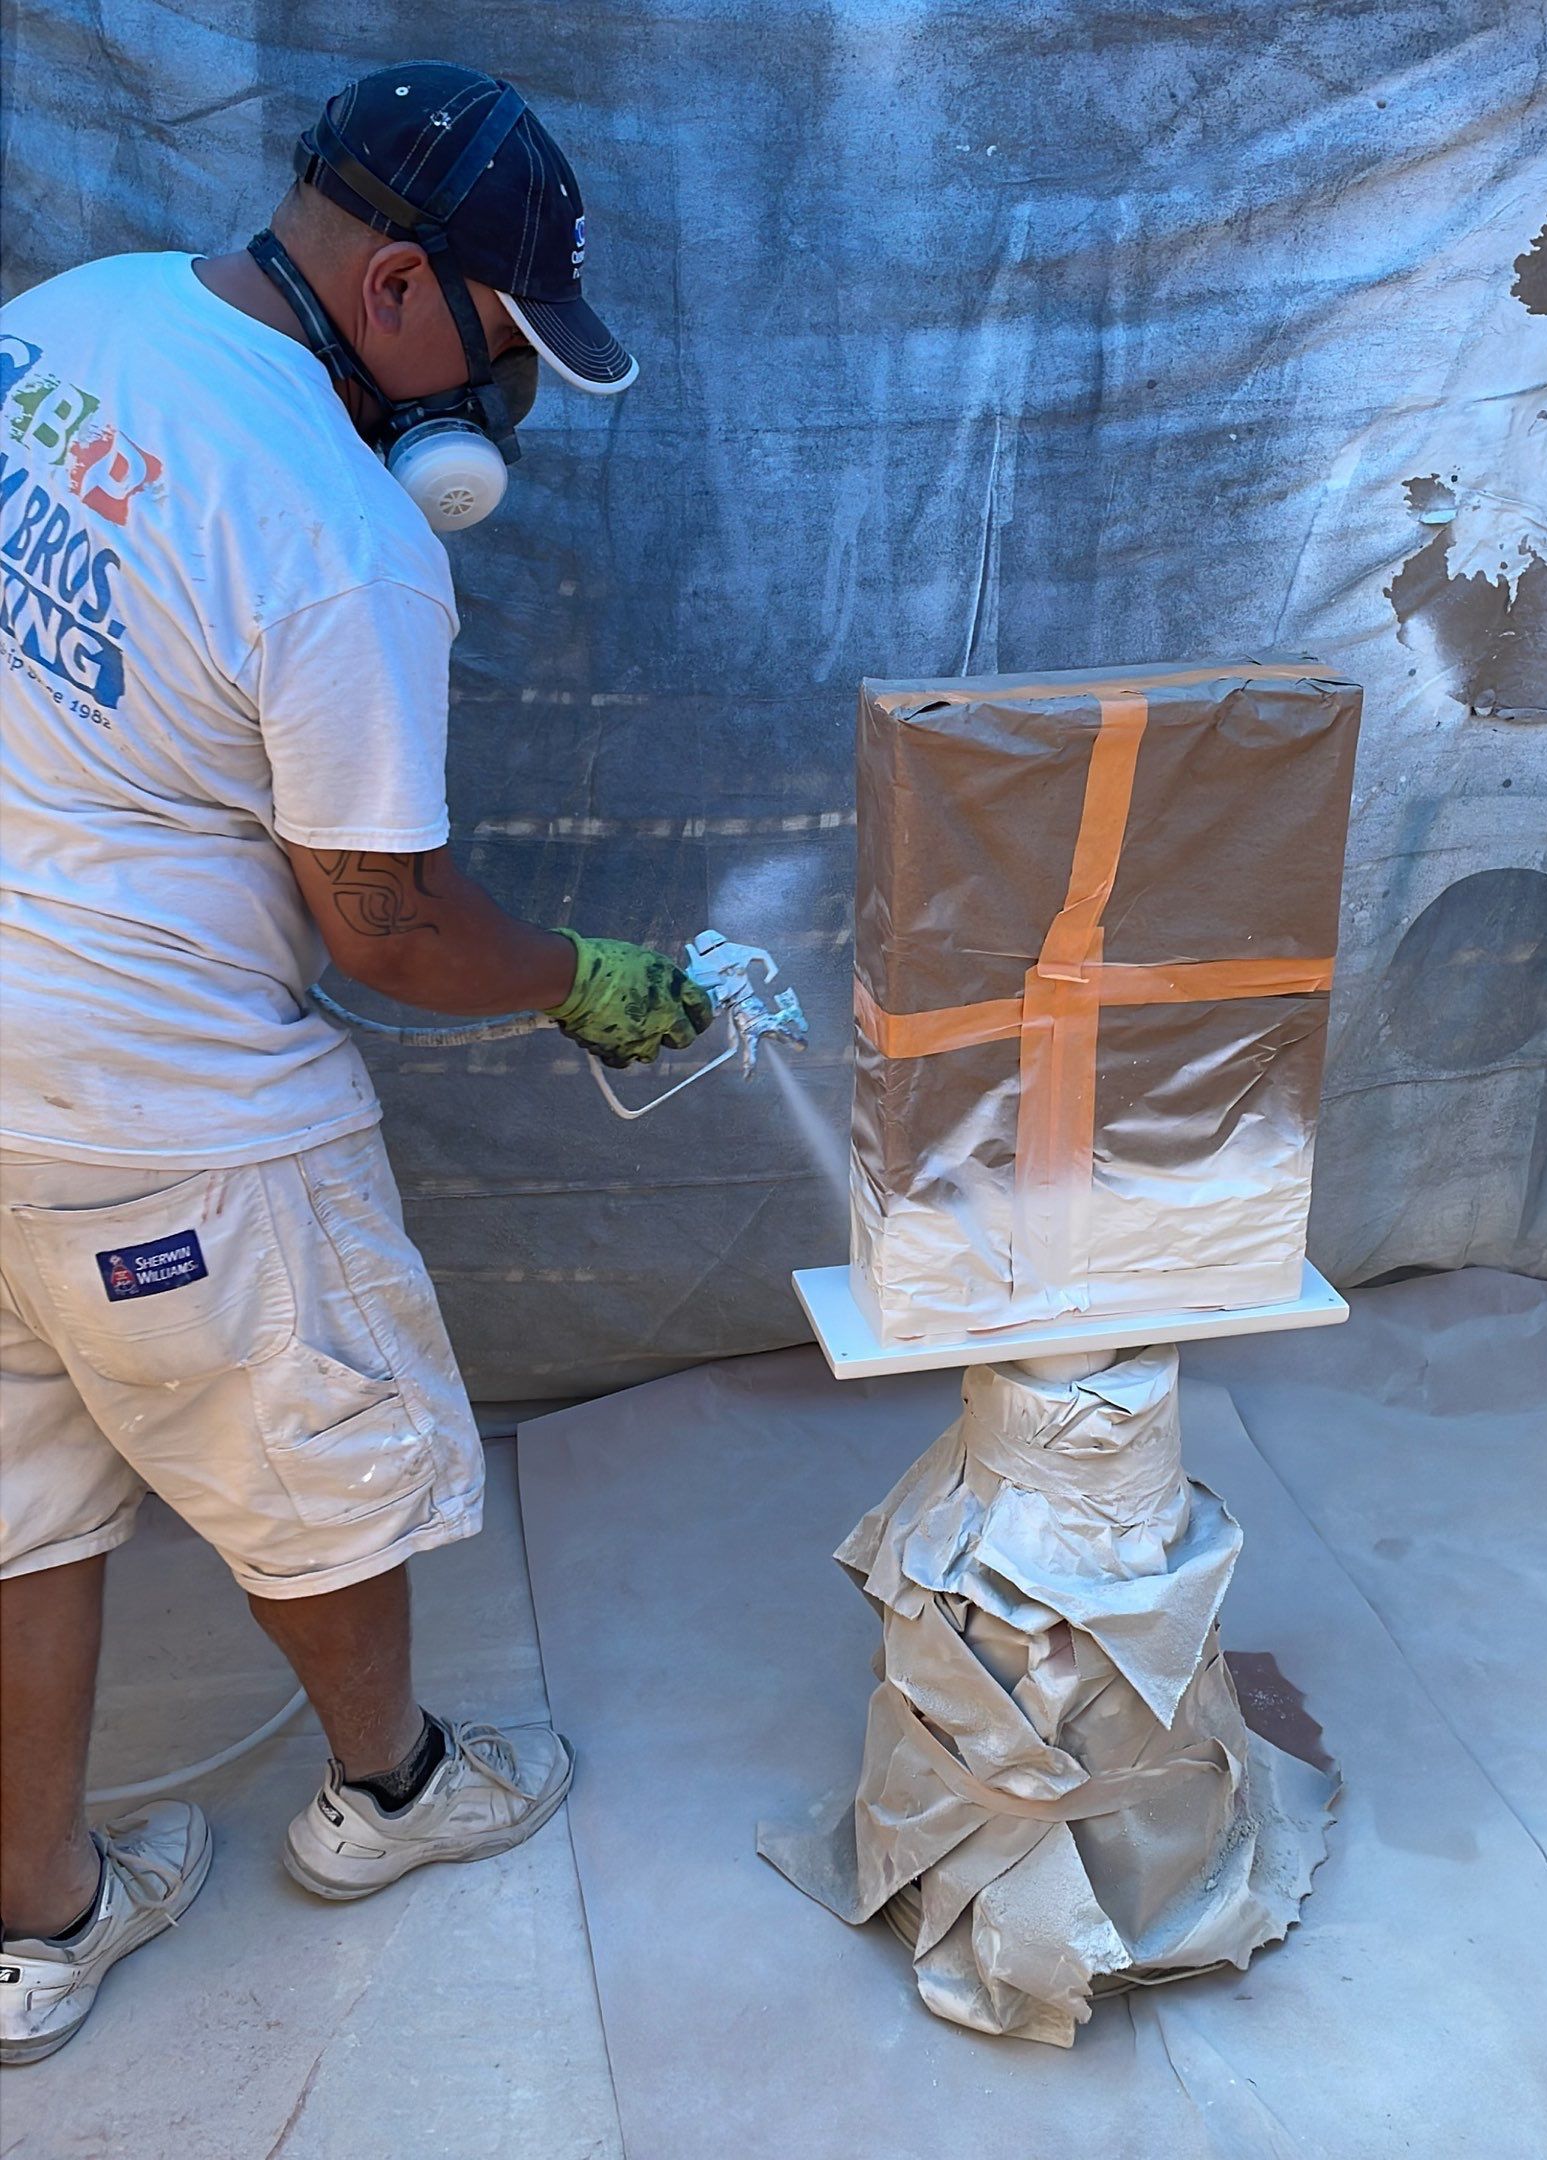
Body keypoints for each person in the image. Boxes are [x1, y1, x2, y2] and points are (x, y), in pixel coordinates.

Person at [0, 60, 712, 2064]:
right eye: (495, 344)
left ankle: (31, 1923)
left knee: (21, 1493)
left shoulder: (67, 323)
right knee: (309, 1450)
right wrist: (587, 982)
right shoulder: (339, 536)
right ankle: (387, 1797)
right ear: (399, 283)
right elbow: (384, 924)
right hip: (156, 1112)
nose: (487, 404)